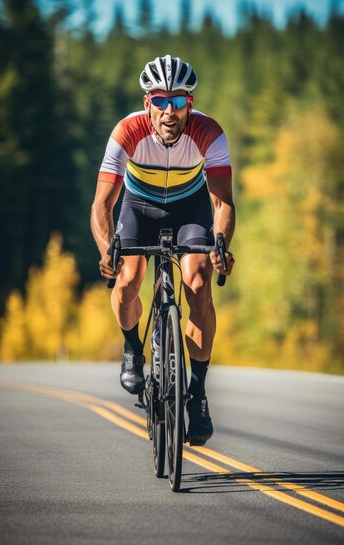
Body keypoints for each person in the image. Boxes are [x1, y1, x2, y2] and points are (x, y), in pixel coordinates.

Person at [91, 55, 235, 446]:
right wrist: (108, 249)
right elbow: (102, 204)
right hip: (139, 206)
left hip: (190, 206)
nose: (169, 111)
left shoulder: (209, 133)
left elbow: (222, 204)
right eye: (160, 102)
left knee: (199, 281)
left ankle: (198, 393)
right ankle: (133, 348)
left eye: (178, 102)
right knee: (128, 278)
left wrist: (221, 245)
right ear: (147, 104)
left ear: (191, 103)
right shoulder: (126, 132)